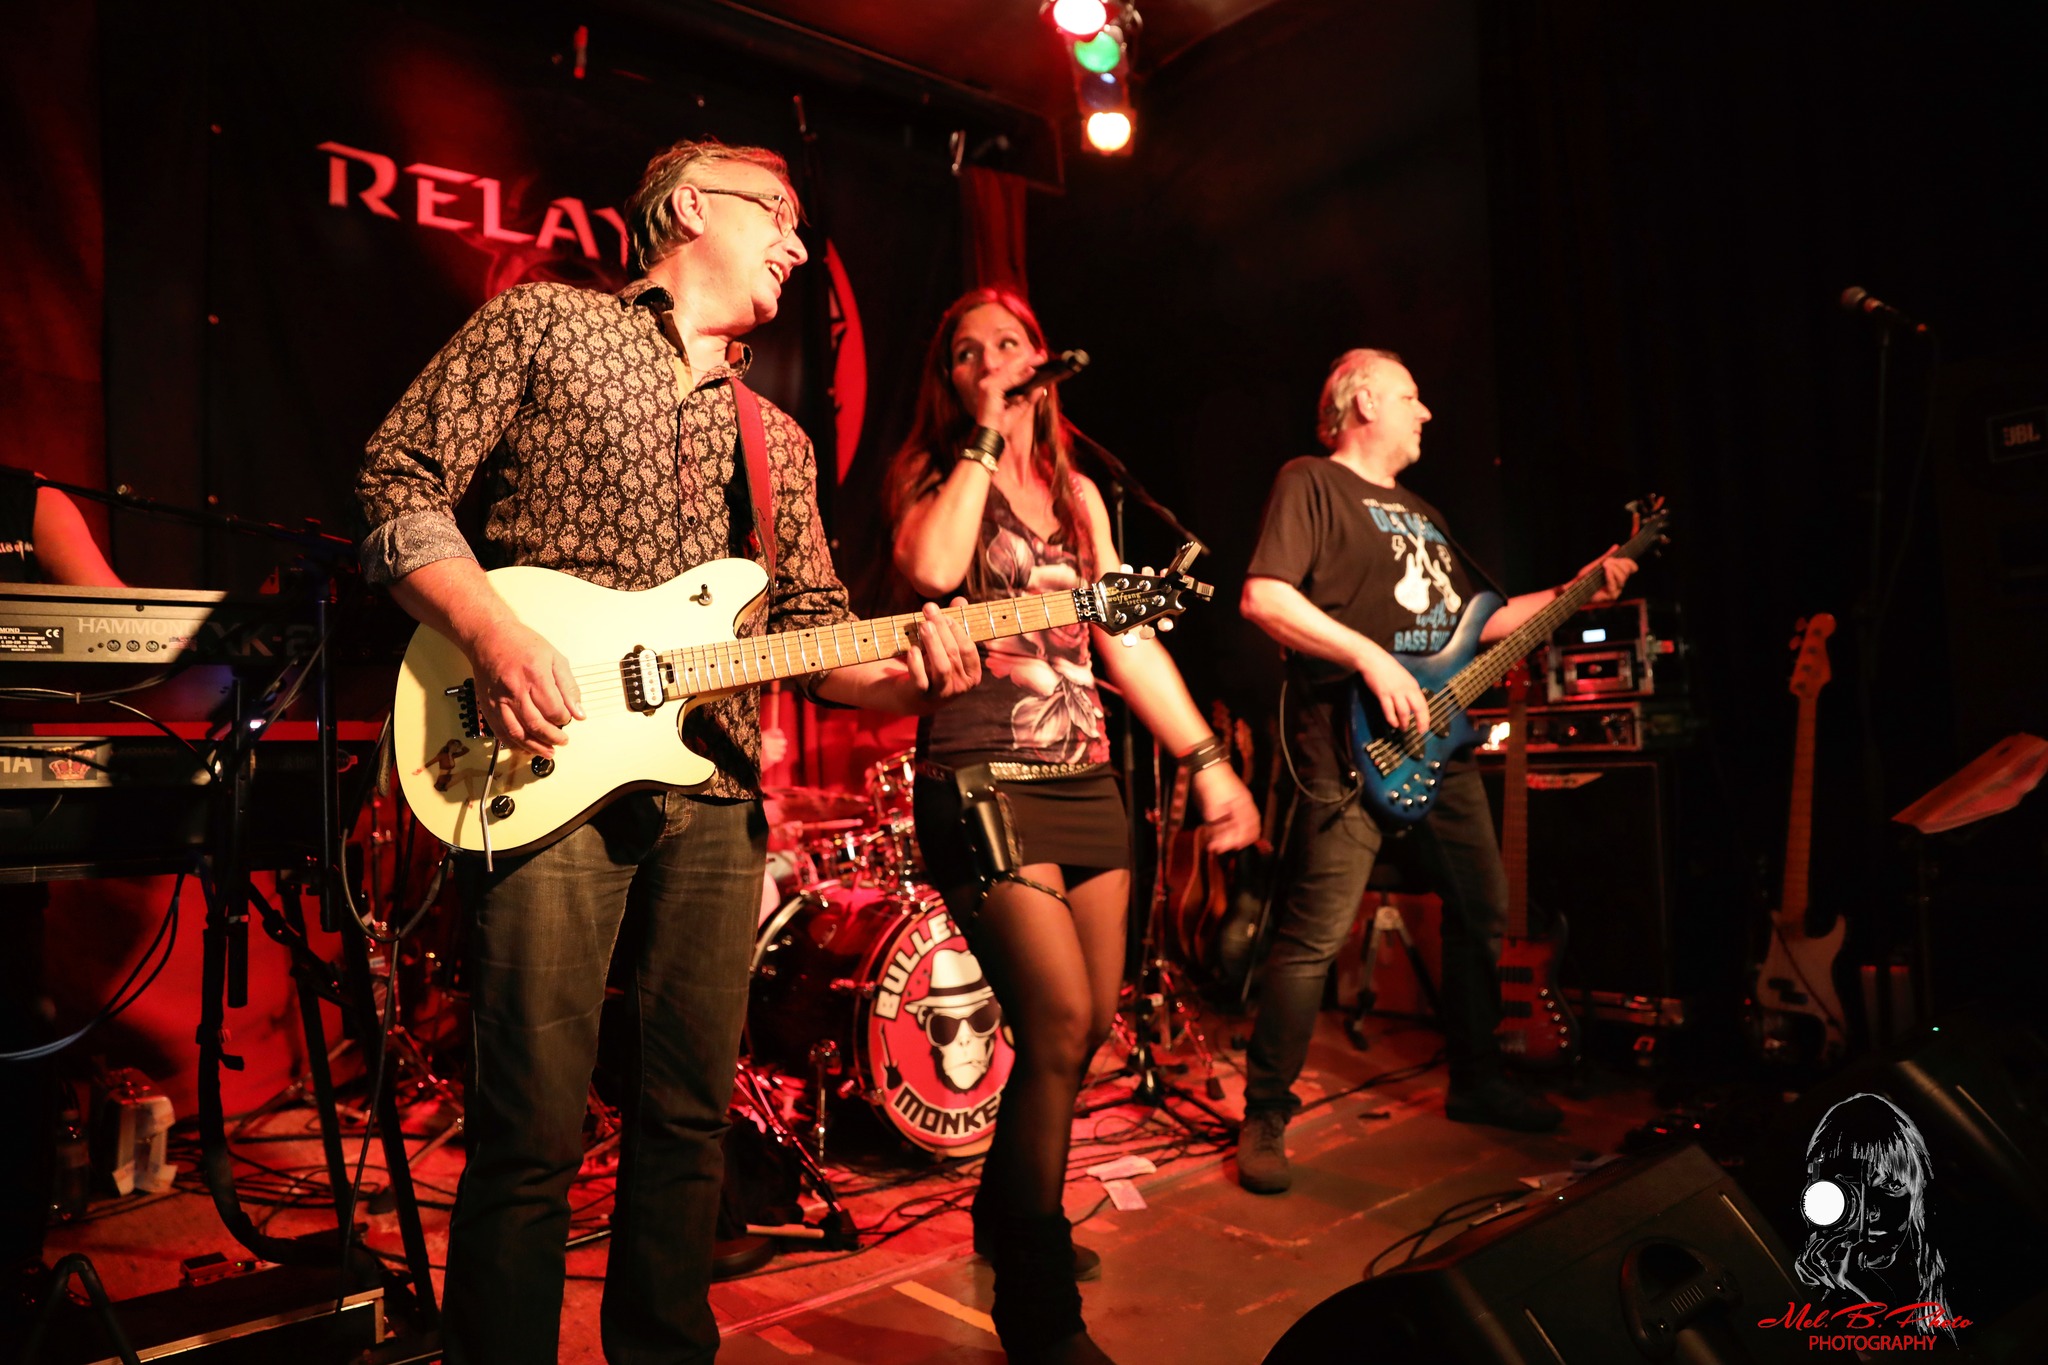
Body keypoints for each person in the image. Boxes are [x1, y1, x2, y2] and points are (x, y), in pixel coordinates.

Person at [354, 139, 981, 1365]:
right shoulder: (544, 325)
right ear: (691, 207)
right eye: (778, 215)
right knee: (529, 1128)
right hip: (542, 761)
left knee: (689, 1118)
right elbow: (396, 478)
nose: (797, 245)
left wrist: (908, 672)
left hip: (716, 789)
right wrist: (492, 632)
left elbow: (813, 639)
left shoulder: (777, 439)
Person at [886, 288, 1260, 1364]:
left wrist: (1206, 760)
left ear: (1043, 361)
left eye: (1009, 344)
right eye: (967, 353)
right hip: (979, 773)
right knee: (1051, 1020)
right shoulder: (932, 479)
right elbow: (929, 570)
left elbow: (1124, 642)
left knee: (1089, 1022)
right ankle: (1038, 1307)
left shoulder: (1080, 495)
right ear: (950, 382)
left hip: (1082, 773)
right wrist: (982, 436)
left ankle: (1004, 1215)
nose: (990, 362)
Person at [1234, 348, 1635, 1193]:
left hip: (1437, 741)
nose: (1426, 413)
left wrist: (1579, 589)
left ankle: (1478, 1078)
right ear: (1364, 402)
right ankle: (1265, 1111)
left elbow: (1481, 623)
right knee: (1314, 936)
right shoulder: (1311, 481)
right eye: (1411, 396)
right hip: (1346, 741)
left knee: (1484, 909)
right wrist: (1368, 657)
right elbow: (1265, 596)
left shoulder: (1425, 515)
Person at [0, 465, 122, 1330]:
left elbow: (124, 627)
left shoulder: (28, 503)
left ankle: (14, 1270)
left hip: (8, 830)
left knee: (16, 1028)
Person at [1794, 1092, 1954, 1335]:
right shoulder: (1804, 1286)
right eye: (1852, 1191)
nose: (1871, 1211)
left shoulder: (1958, 1273)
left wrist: (1875, 1308)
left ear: (1919, 1189)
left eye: (1892, 1186)